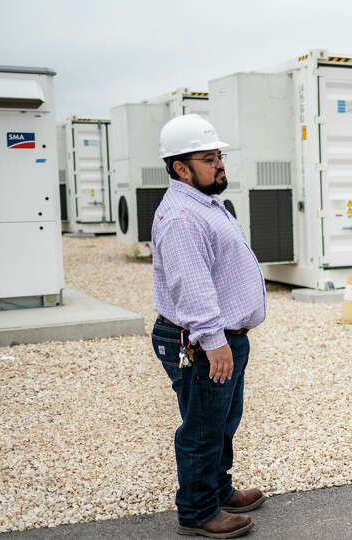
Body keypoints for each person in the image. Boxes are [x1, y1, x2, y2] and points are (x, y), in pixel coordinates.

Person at [150, 114, 267, 538]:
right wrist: (214, 340)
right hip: (201, 341)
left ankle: (217, 488)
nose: (219, 165)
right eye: (208, 158)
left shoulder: (205, 203)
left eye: (218, 156)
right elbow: (192, 284)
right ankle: (198, 512)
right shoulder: (182, 215)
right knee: (202, 426)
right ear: (181, 169)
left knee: (222, 421)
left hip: (221, 339)